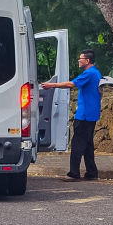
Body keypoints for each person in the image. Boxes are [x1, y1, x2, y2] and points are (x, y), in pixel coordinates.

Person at [41, 50, 103, 180]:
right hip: (92, 113)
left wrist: (51, 85)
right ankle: (92, 172)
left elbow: (71, 84)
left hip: (84, 114)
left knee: (77, 144)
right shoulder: (96, 72)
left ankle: (74, 173)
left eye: (80, 59)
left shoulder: (89, 73)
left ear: (87, 61)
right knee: (87, 144)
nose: (79, 61)